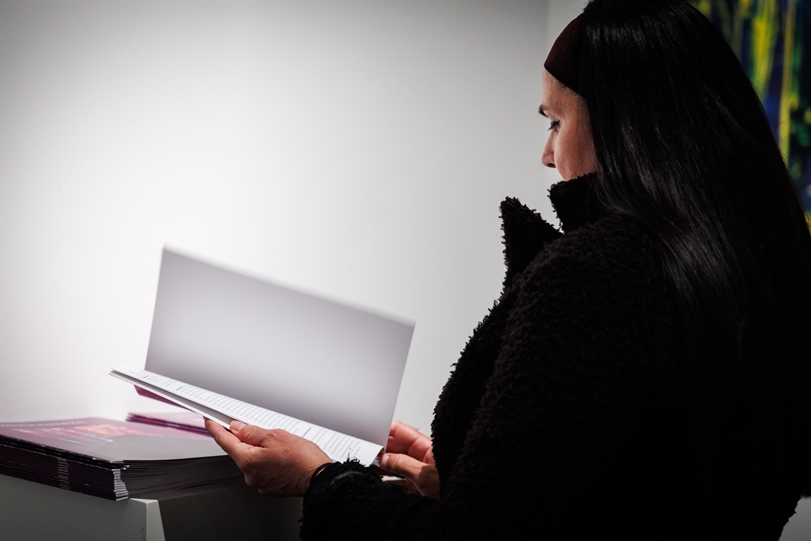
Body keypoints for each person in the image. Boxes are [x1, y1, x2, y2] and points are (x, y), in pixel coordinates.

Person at [206, 0, 811, 538]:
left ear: (625, 127)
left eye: (555, 121)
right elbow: (639, 488)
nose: (546, 154)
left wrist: (322, 481)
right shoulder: (756, 277)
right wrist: (475, 480)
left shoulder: (597, 275)